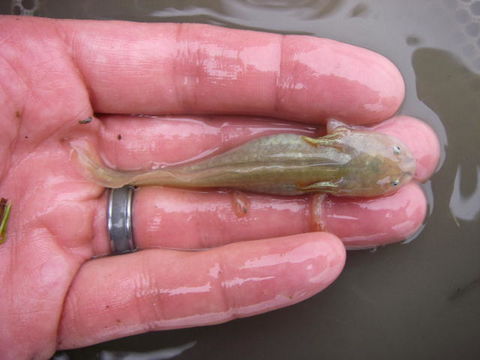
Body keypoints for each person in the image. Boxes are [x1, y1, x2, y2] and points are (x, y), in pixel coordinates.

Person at [0, 16, 439, 359]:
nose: (402, 166)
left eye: (394, 170)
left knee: (184, 174)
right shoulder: (327, 182)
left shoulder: (337, 135)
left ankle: (117, 175)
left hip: (271, 164)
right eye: (397, 161)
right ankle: (116, 176)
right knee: (185, 173)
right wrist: (318, 218)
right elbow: (318, 208)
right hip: (264, 168)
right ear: (342, 139)